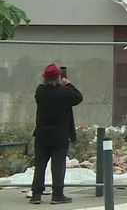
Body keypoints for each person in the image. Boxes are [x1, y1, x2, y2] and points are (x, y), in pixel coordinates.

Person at [30, 64, 83, 205]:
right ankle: (57, 195)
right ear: (58, 77)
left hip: (42, 134)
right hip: (59, 135)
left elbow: (48, 91)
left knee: (40, 165)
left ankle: (36, 195)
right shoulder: (64, 93)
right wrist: (68, 84)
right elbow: (78, 97)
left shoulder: (40, 91)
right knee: (58, 166)